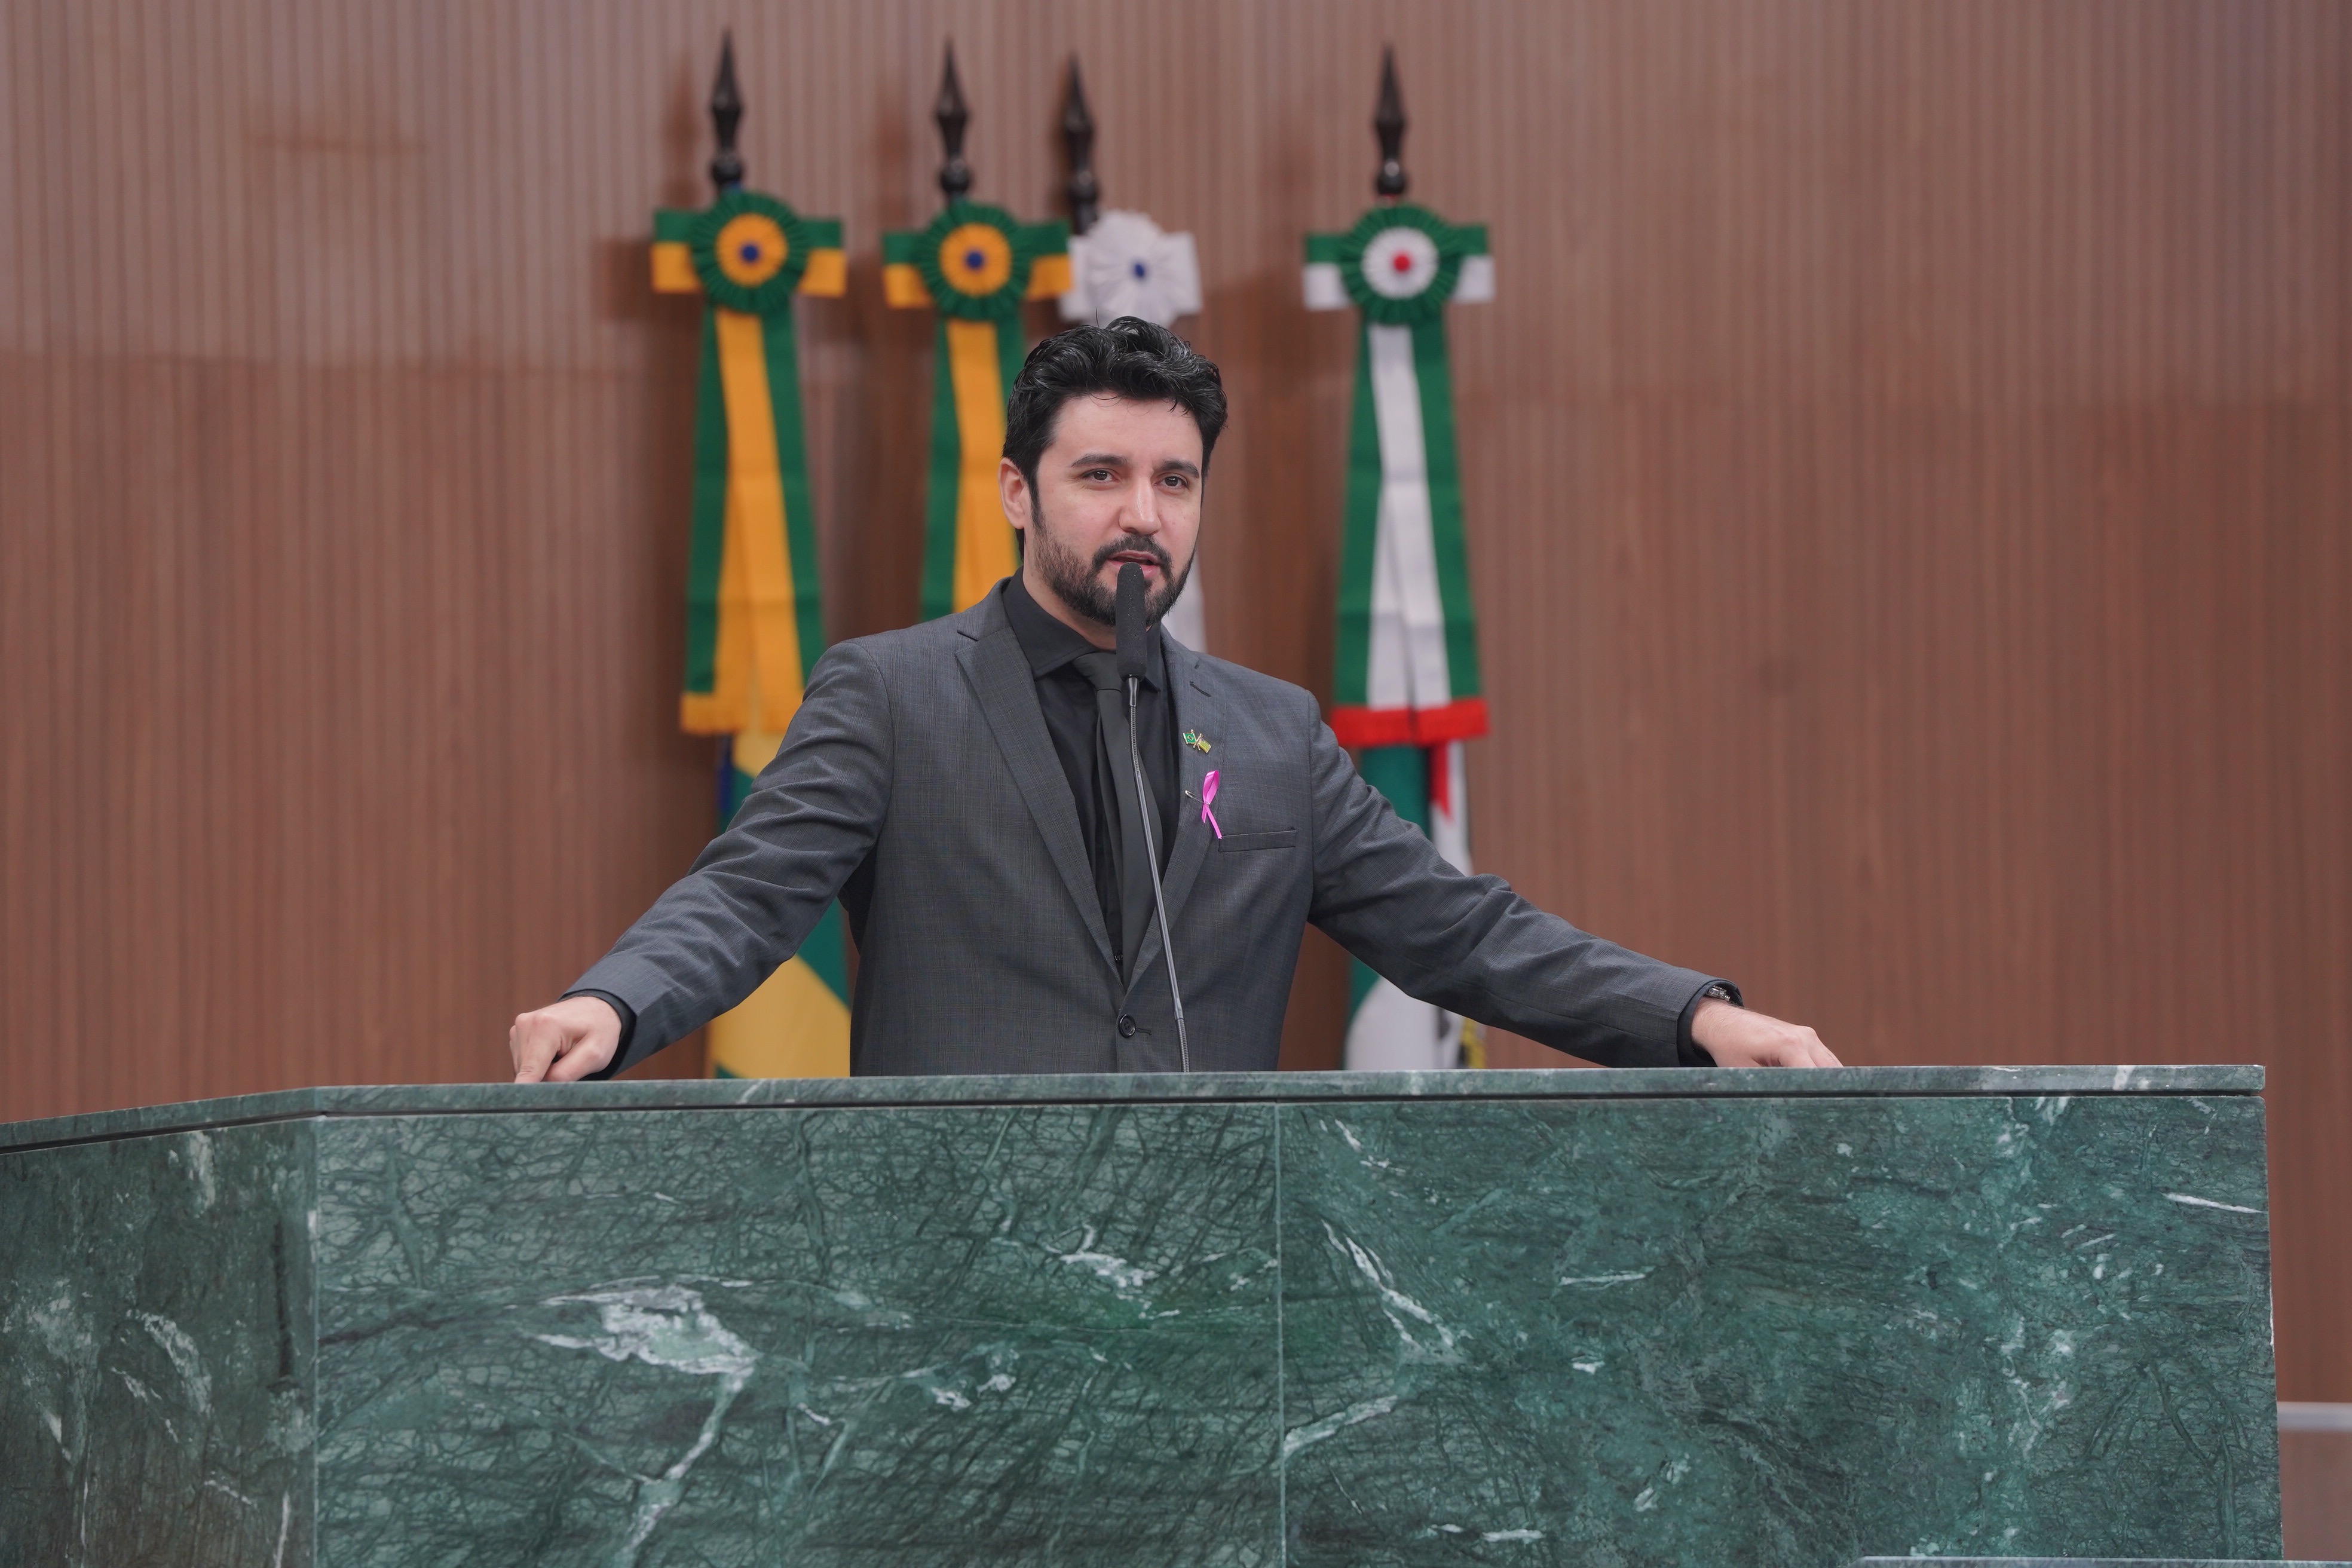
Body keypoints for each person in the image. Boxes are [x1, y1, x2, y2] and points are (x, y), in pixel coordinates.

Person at [510, 318, 1838, 1083]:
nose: (1142, 512)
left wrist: (1698, 1019)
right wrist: (613, 1004)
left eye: (1176, 480)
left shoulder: (1273, 733)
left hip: (1214, 1286)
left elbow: (1463, 933)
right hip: (951, 1279)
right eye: (1101, 475)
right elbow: (749, 895)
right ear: (1019, 492)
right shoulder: (893, 694)